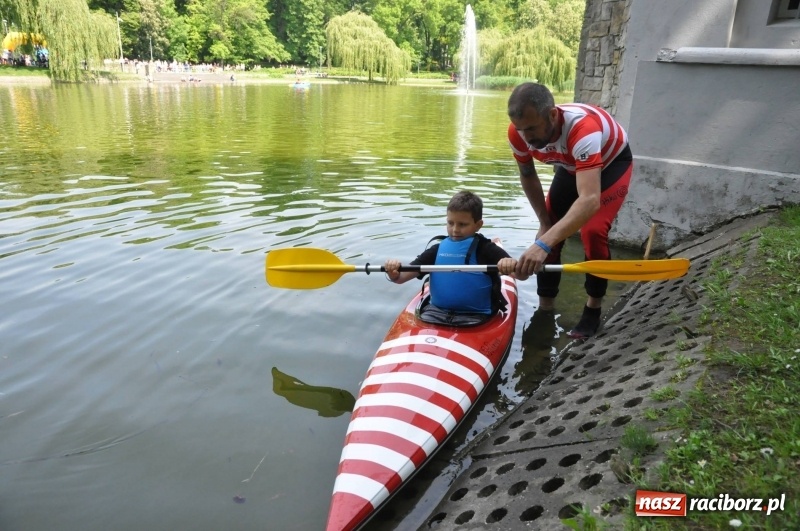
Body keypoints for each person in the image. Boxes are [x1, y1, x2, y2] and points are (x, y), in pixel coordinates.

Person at [504, 82, 633, 339]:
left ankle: (592, 309)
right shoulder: (517, 132)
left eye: (531, 128)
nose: (526, 137)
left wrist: (542, 245)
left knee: (593, 232)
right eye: (520, 129)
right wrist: (544, 225)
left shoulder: (582, 129)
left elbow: (589, 200)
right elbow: (528, 174)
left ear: (552, 115)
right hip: (571, 165)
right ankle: (545, 308)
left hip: (612, 165)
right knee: (549, 228)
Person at [384, 191, 518, 319]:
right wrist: (393, 273)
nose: (455, 229)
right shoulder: (436, 250)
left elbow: (520, 274)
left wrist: (509, 264)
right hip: (436, 314)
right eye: (450, 223)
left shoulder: (486, 249)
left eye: (462, 224)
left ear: (478, 225)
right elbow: (401, 278)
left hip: (479, 316)